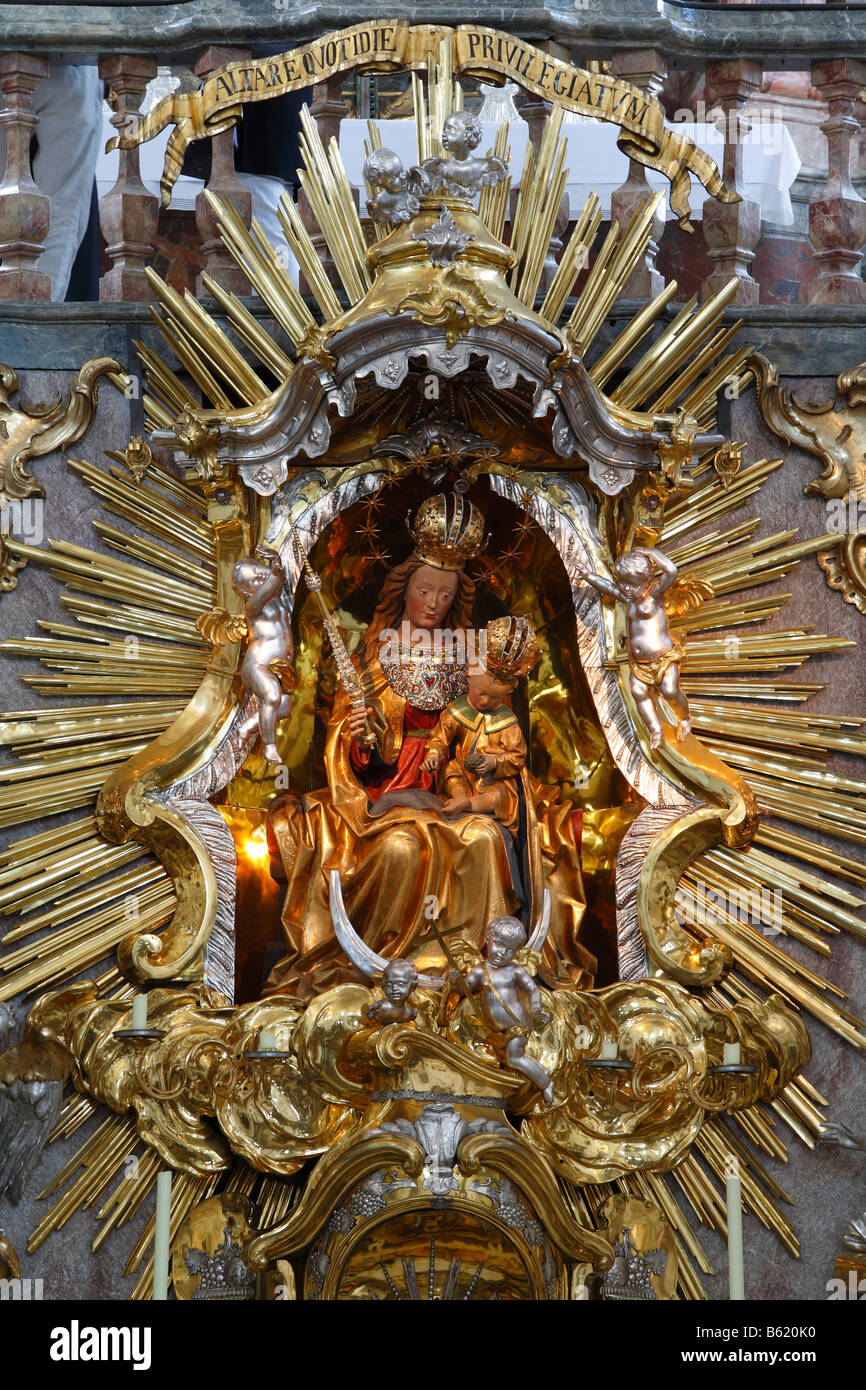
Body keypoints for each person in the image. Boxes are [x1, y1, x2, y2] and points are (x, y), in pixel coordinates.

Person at [266, 491, 593, 998]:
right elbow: (344, 743)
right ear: (405, 589)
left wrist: (478, 771)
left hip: (453, 790)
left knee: (484, 840)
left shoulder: (471, 660)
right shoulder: (373, 656)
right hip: (384, 796)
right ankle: (389, 975)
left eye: (445, 596)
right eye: (425, 591)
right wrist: (362, 742)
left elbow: (489, 729)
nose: (434, 605)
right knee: (399, 847)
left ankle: (483, 976)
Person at [421, 615, 539, 829]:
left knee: (502, 794)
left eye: (495, 698)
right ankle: (460, 797)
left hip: (492, 781)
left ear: (509, 692)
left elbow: (518, 756)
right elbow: (440, 737)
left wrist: (494, 763)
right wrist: (433, 754)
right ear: (468, 677)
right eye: (481, 693)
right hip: (462, 775)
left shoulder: (508, 722)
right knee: (450, 771)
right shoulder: (456, 711)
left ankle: (471, 804)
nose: (485, 702)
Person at [575, 546, 692, 748]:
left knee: (670, 690)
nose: (626, 589)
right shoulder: (627, 598)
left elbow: (671, 571)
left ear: (647, 582)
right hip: (638, 664)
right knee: (638, 693)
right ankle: (655, 729)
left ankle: (684, 718)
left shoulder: (655, 596)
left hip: (663, 658)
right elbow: (609, 588)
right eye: (623, 583)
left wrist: (651, 553)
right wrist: (589, 576)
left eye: (633, 585)